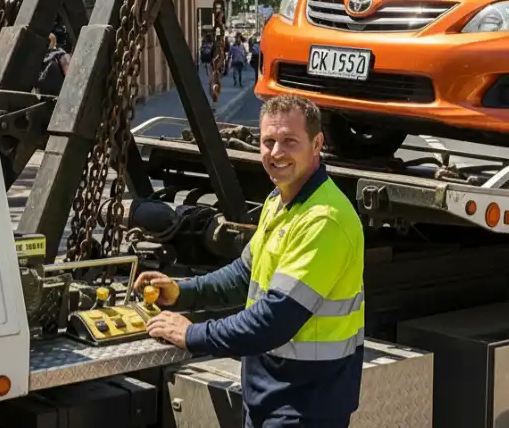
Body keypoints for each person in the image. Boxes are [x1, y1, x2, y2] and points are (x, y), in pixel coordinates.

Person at [135, 94, 365, 428]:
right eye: (268, 141)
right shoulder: (281, 200)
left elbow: (274, 320)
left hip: (306, 405)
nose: (276, 153)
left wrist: (192, 334)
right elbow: (245, 274)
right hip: (271, 396)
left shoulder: (324, 219)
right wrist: (182, 292)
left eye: (289, 141)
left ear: (317, 144)